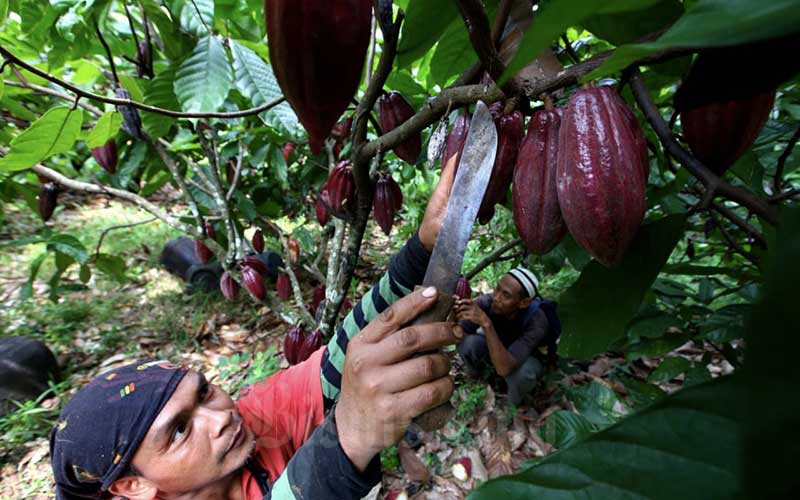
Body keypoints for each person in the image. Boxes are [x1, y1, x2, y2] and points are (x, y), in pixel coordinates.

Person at [49, 161, 461, 500]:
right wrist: (347, 438)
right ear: (132, 485)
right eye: (179, 430)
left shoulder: (256, 419)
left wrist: (422, 250)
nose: (220, 418)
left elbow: (337, 360)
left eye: (205, 392)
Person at [454, 267, 549, 406]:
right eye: (497, 289)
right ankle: (480, 379)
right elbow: (459, 334)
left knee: (524, 374)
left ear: (524, 303)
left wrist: (486, 324)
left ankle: (511, 405)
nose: (496, 297)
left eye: (506, 295)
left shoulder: (537, 321)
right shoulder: (488, 302)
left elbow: (504, 368)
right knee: (468, 343)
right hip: (499, 351)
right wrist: (454, 316)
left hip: (523, 359)